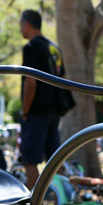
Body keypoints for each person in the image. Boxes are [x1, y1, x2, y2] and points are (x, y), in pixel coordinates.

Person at [19, 9, 69, 188]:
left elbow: (30, 83)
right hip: (54, 111)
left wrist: (25, 111)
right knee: (55, 159)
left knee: (30, 160)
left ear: (27, 24)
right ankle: (64, 201)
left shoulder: (31, 47)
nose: (20, 28)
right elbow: (62, 79)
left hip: (37, 111)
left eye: (21, 24)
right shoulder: (53, 47)